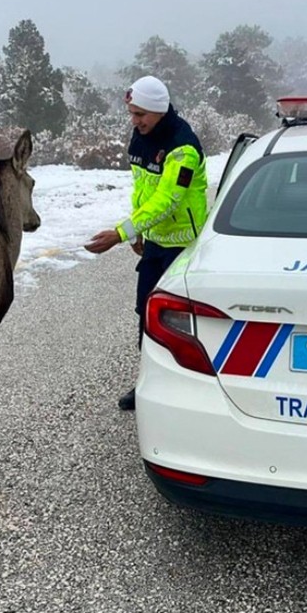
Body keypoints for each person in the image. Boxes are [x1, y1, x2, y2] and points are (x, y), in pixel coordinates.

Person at [84, 75, 209, 411]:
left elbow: (168, 200)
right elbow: (143, 191)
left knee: (185, 321)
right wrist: (140, 230)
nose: (134, 121)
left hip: (184, 247)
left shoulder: (184, 148)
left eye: (140, 114)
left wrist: (120, 232)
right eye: (132, 114)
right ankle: (149, 383)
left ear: (158, 110)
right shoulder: (142, 137)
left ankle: (190, 385)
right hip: (155, 241)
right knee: (147, 313)